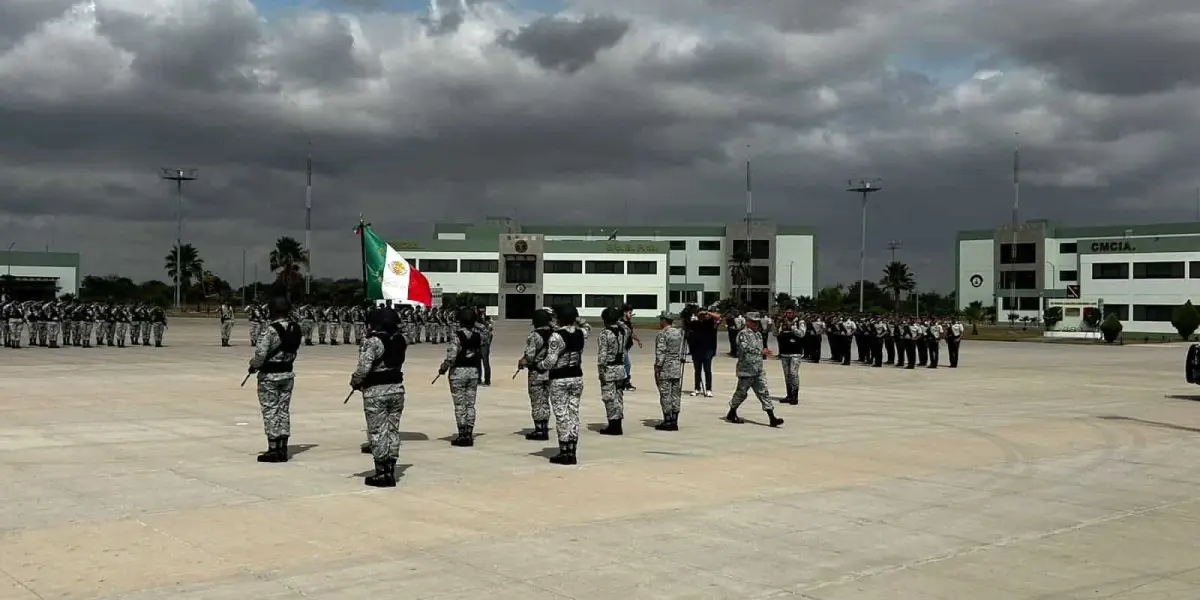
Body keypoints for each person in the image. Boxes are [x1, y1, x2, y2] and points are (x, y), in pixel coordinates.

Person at [351, 306, 407, 487]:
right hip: (396, 389)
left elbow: (363, 368)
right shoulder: (401, 340)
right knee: (392, 430)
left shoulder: (373, 342)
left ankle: (381, 472)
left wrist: (355, 381)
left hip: (376, 391)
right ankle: (390, 468)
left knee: (378, 432)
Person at [247, 297, 302, 463]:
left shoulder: (270, 330)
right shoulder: (295, 328)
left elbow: (261, 354)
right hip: (287, 373)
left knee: (271, 410)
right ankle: (283, 446)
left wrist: (253, 365)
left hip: (270, 376)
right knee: (283, 410)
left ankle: (273, 448)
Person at [538, 304, 587, 465]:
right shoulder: (581, 333)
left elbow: (551, 361)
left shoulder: (556, 336)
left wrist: (540, 366)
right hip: (576, 377)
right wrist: (576, 318)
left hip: (560, 379)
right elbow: (587, 326)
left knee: (562, 415)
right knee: (573, 413)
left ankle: (564, 450)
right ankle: (572, 449)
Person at [725, 313, 784, 427]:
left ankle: (772, 418)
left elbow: (760, 348)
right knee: (741, 393)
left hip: (758, 369)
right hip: (746, 369)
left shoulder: (758, 334)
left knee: (764, 392)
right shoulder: (743, 334)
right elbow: (744, 348)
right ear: (748, 322)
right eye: (754, 322)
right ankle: (732, 412)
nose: (756, 324)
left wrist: (764, 351)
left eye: (758, 322)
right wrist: (760, 352)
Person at [439, 307, 482, 447]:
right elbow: (487, 334)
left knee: (459, 405)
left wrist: (443, 368)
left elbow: (451, 356)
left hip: (458, 373)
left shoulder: (456, 336)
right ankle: (469, 432)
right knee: (470, 404)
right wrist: (478, 324)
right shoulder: (478, 335)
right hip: (473, 373)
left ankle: (462, 433)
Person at [518, 308, 555, 440]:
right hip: (550, 371)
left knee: (537, 400)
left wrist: (522, 362)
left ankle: (539, 429)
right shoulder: (554, 334)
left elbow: (530, 356)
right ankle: (545, 425)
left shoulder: (534, 336)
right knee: (545, 400)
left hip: (536, 372)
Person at [595, 307, 627, 435]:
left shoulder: (605, 333)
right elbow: (626, 327)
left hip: (609, 368)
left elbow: (602, 355)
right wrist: (619, 320)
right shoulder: (623, 331)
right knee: (618, 397)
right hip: (620, 368)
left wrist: (600, 371)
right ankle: (618, 423)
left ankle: (613, 425)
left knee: (609, 398)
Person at [653, 310, 686, 431]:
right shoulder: (678, 332)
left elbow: (661, 352)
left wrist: (657, 367)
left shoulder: (663, 334)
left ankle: (667, 420)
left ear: (663, 321)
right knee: (675, 394)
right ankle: (675, 419)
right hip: (676, 366)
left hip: (666, 367)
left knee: (665, 394)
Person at [687, 308, 718, 397]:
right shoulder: (695, 323)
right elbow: (686, 327)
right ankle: (697, 388)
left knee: (707, 370)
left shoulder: (710, 323)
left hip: (708, 350)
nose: (702, 316)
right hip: (696, 350)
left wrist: (707, 312)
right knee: (697, 371)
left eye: (704, 315)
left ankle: (708, 389)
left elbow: (718, 317)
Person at [775, 310, 803, 405]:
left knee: (793, 373)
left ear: (794, 313)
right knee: (787, 375)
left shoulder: (800, 322)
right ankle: (789, 395)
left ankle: (795, 396)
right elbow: (775, 334)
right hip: (784, 353)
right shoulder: (782, 323)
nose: (787, 314)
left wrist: (791, 327)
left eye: (790, 313)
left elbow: (802, 334)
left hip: (795, 353)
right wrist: (777, 325)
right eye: (786, 313)